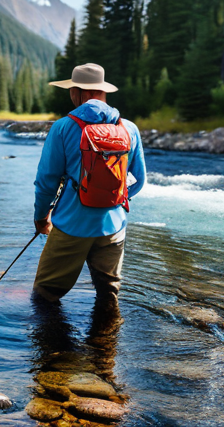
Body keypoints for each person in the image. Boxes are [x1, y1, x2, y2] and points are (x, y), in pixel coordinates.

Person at [32, 63, 146, 306]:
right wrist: (115, 200)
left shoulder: (62, 127)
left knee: (44, 296)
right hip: (114, 226)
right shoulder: (130, 128)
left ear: (78, 92)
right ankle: (106, 343)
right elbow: (139, 180)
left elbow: (46, 182)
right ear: (103, 91)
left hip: (72, 226)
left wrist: (42, 216)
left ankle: (52, 345)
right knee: (108, 297)